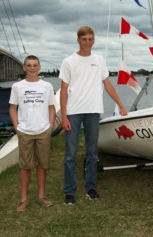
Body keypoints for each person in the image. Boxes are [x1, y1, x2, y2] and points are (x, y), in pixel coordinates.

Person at [59, 26, 128, 205]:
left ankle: (91, 188)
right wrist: (64, 116)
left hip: (93, 111)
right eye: (84, 39)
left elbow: (107, 84)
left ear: (93, 40)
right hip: (73, 112)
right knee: (70, 154)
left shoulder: (99, 60)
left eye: (91, 39)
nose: (88, 42)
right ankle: (69, 191)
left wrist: (120, 104)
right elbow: (64, 91)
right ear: (78, 40)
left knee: (92, 153)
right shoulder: (68, 61)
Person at [9, 55, 55, 212]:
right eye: (29, 65)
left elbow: (51, 108)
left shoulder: (47, 86)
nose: (32, 68)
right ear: (24, 67)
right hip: (25, 132)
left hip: (43, 131)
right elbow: (12, 108)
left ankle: (41, 196)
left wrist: (49, 127)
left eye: (35, 65)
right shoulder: (17, 87)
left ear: (39, 67)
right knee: (25, 166)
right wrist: (17, 127)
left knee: (43, 165)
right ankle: (23, 199)